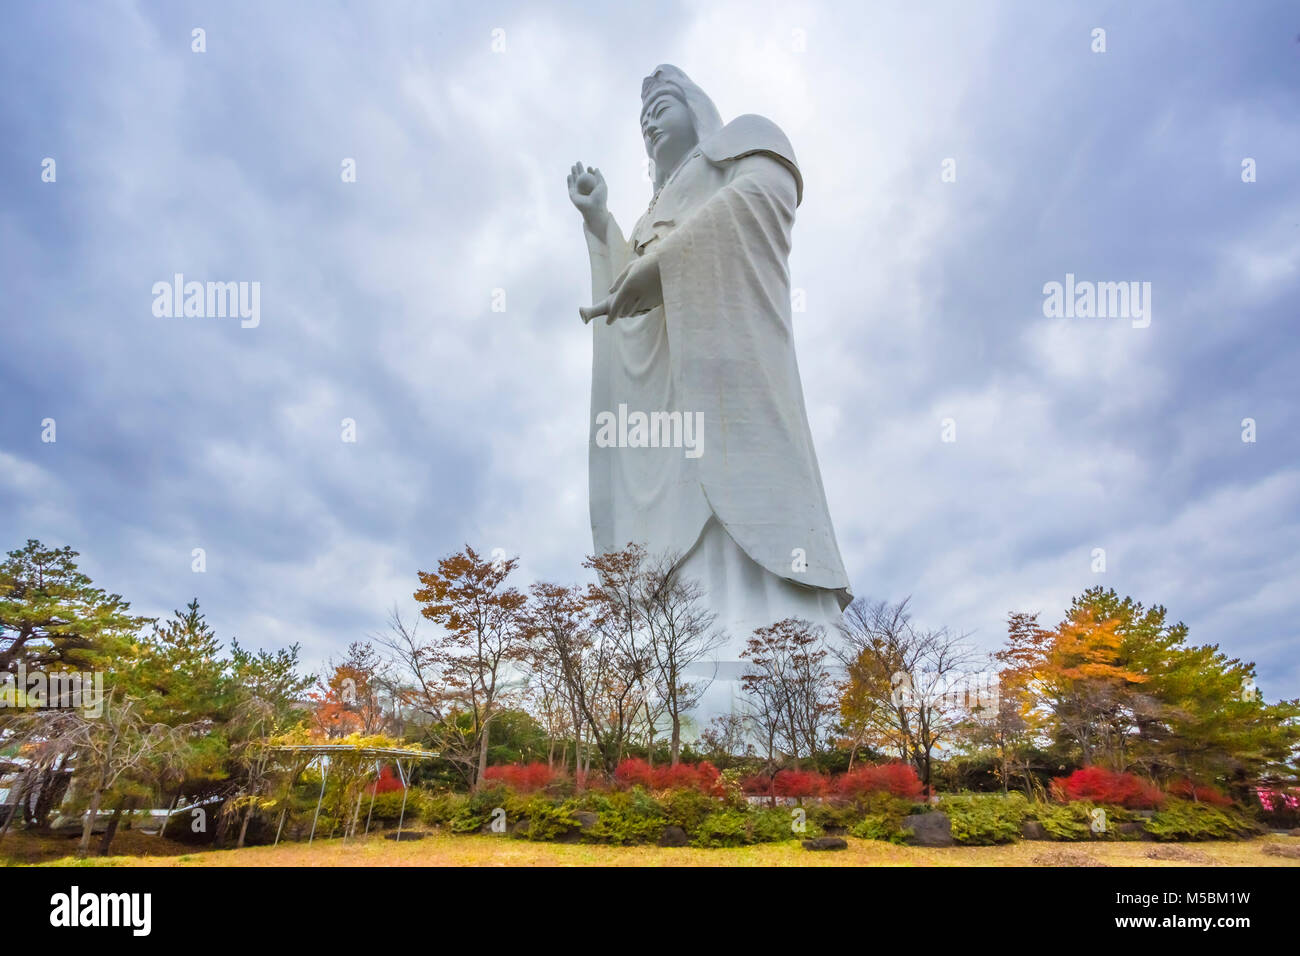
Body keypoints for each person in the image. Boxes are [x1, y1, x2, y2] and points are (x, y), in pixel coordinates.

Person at [567, 64, 851, 735]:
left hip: (734, 369)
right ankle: (686, 644)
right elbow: (625, 299)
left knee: (743, 478)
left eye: (662, 104)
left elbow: (769, 195)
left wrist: (669, 265)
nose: (648, 120)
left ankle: (782, 639)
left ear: (699, 108)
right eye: (641, 116)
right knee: (681, 506)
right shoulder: (650, 212)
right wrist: (602, 220)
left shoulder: (743, 143)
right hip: (671, 399)